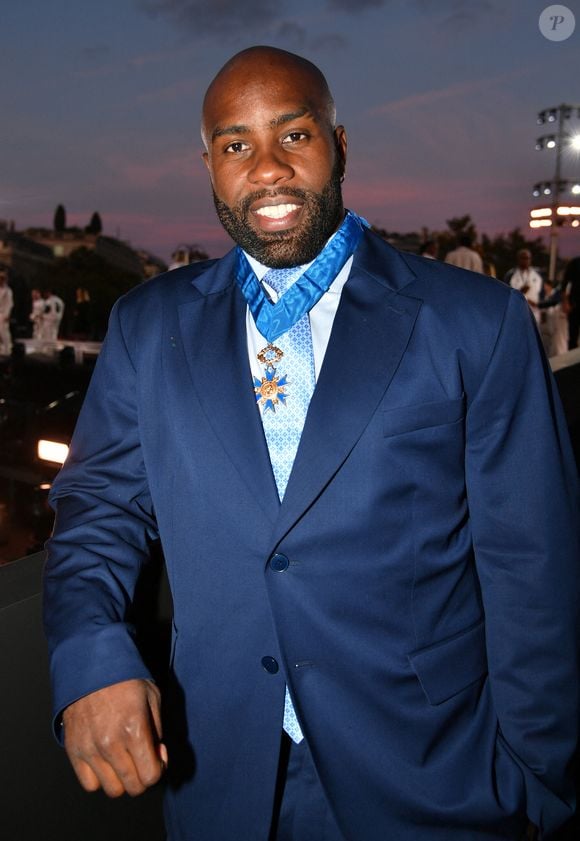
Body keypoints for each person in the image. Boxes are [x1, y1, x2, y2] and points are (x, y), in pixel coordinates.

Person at [44, 47, 579, 841]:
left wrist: (538, 786)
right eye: (235, 145)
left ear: (339, 143)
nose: (266, 169)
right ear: (208, 164)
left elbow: (534, 568)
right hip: (220, 780)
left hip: (436, 783)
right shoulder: (146, 325)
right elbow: (97, 510)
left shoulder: (476, 322)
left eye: (293, 136)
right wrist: (90, 652)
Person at [505, 249, 544, 325]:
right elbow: (506, 294)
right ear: (518, 259)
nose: (525, 261)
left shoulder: (537, 275)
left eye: (527, 258)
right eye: (522, 258)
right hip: (516, 311)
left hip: (534, 312)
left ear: (530, 259)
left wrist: (540, 306)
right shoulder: (510, 275)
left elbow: (542, 294)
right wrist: (521, 291)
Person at [564, 255, 580, 349]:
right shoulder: (575, 263)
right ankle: (572, 361)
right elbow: (565, 283)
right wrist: (566, 302)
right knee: (573, 335)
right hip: (575, 305)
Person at [0, 267, 14, 355]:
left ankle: (8, 349)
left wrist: (7, 315)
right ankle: (1, 349)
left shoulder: (8, 291)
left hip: (3, 314)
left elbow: (10, 304)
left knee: (4, 332)